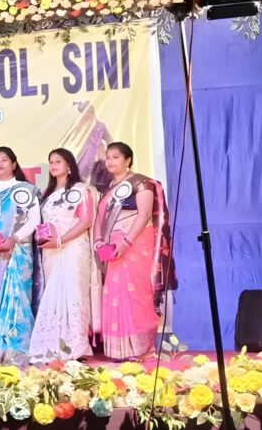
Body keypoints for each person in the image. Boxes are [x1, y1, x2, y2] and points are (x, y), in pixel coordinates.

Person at [94, 142, 175, 361]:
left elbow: (144, 214)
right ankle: (120, 350)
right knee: (114, 293)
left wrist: (126, 243)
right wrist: (99, 242)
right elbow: (100, 218)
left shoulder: (142, 183)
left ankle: (141, 349)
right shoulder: (108, 189)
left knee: (136, 294)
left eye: (115, 157)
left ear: (128, 160)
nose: (110, 161)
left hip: (136, 245)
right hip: (113, 249)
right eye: (108, 157)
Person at [29, 149, 98, 362]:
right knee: (53, 294)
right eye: (50, 162)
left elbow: (85, 221)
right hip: (51, 250)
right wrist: (42, 238)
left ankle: (76, 348)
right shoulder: (46, 194)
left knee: (73, 293)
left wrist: (61, 240)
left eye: (58, 161)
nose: (53, 165)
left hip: (73, 248)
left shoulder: (80, 190)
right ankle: (53, 346)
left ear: (69, 165)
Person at [0, 147, 41, 365]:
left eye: (4, 160)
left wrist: (14, 239)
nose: (0, 164)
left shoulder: (26, 189)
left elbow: (34, 219)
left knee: (19, 299)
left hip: (18, 251)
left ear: (14, 164)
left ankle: (18, 349)